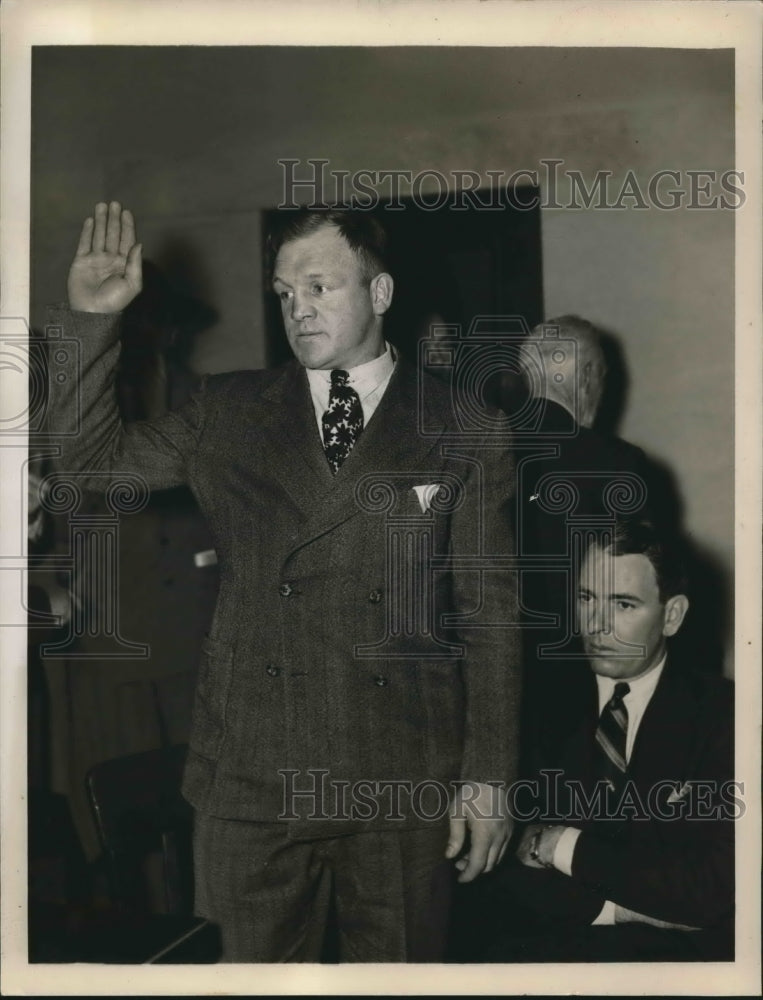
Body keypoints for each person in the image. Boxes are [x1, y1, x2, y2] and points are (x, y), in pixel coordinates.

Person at [48, 201, 522, 962]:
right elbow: (90, 466)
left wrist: (489, 777)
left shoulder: (465, 426)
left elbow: (489, 615)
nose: (298, 308)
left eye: (318, 287)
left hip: (399, 776)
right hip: (251, 773)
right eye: (283, 292)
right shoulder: (228, 410)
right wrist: (91, 321)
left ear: (380, 292)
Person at [480, 518, 735, 962]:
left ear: (672, 616)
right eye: (586, 598)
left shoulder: (724, 715)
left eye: (623, 604)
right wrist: (618, 909)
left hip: (673, 968)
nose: (597, 625)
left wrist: (557, 843)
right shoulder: (524, 704)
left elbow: (711, 888)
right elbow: (491, 866)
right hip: (540, 957)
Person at [513, 316, 654, 774]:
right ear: (590, 375)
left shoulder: (474, 454)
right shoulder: (618, 465)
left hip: (490, 698)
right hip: (581, 697)